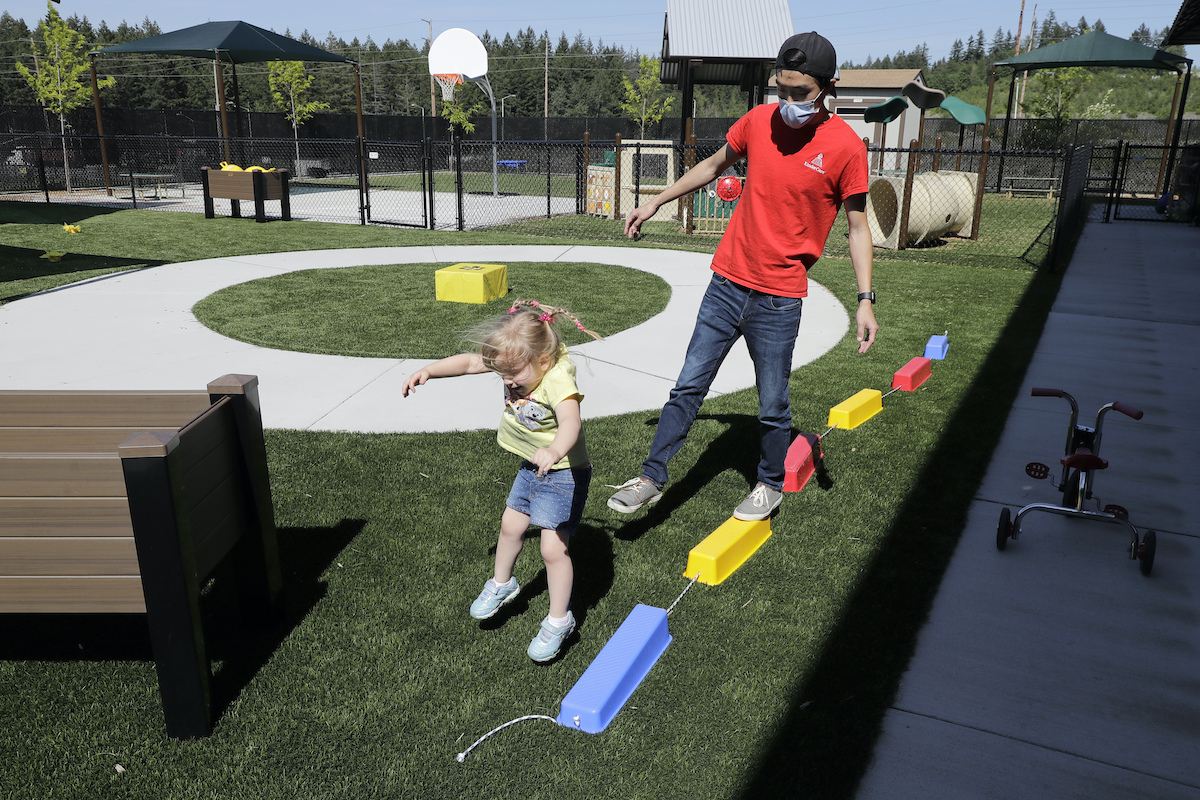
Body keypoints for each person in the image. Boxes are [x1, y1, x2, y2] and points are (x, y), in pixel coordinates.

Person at [607, 32, 880, 522]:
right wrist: (655, 201)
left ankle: (769, 484)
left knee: (772, 402)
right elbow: (713, 166)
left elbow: (858, 227)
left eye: (801, 93)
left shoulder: (846, 148)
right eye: (782, 89)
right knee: (688, 386)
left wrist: (865, 298)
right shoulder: (758, 121)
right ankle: (651, 477)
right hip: (726, 284)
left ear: (828, 86)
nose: (789, 102)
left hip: (779, 300)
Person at [402, 300, 601, 662]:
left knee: (552, 549)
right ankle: (502, 584)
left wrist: (554, 451)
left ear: (543, 361)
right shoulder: (520, 361)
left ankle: (559, 620)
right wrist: (429, 370)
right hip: (533, 466)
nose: (508, 383)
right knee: (510, 525)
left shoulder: (558, 380)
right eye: (503, 376)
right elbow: (469, 361)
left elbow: (571, 423)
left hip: (564, 473)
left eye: (514, 377)